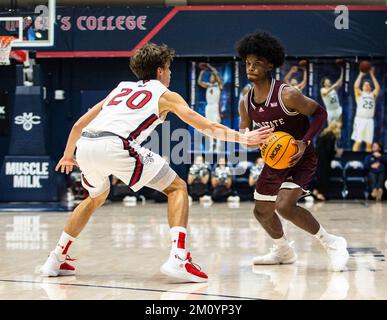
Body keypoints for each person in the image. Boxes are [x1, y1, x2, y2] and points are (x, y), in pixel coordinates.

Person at [40, 42, 273, 282]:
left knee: (94, 198)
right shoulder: (165, 95)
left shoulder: (121, 88)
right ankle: (179, 257)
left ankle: (56, 257)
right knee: (177, 187)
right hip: (117, 144)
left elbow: (79, 124)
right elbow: (207, 126)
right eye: (169, 69)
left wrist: (68, 155)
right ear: (160, 71)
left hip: (86, 145)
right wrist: (243, 138)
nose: (170, 74)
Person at [237, 32, 349, 271]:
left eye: (257, 62)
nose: (251, 67)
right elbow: (245, 138)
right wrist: (249, 140)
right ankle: (284, 251)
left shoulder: (288, 94)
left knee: (284, 205)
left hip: (301, 157)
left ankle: (332, 243)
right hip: (275, 160)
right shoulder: (245, 102)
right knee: (261, 211)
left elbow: (320, 114)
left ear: (269, 64)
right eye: (248, 62)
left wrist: (305, 142)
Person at [313, 120, 343, 201]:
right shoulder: (331, 136)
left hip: (318, 158)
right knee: (324, 176)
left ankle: (316, 191)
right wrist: (336, 152)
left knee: (320, 176)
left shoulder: (324, 134)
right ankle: (320, 193)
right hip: (324, 160)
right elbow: (329, 150)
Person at [352, 67, 380, 152]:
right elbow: (356, 86)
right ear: (363, 87)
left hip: (369, 120)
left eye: (368, 85)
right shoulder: (360, 94)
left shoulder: (373, 95)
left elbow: (378, 87)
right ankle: (354, 160)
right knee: (358, 142)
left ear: (370, 88)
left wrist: (372, 74)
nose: (367, 85)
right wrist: (361, 74)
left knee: (369, 143)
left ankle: (367, 161)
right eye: (365, 84)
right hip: (360, 119)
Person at [197, 63, 224, 152]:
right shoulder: (208, 85)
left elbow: (217, 75)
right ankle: (211, 145)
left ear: (215, 77)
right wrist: (202, 72)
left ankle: (218, 146)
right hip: (209, 107)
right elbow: (199, 82)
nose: (210, 78)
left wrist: (211, 67)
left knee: (217, 126)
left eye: (212, 77)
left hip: (216, 107)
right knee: (209, 126)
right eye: (210, 77)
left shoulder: (219, 85)